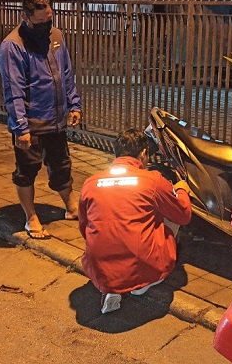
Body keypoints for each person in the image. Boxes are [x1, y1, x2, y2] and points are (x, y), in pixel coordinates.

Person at [0, 0, 82, 239]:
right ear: (26, 16)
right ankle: (30, 217)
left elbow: (66, 73)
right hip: (31, 124)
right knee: (27, 170)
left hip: (55, 120)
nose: (46, 26)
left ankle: (71, 207)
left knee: (61, 164)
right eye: (40, 22)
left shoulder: (56, 37)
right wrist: (20, 128)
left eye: (50, 20)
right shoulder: (12, 46)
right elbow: (14, 90)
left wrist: (73, 104)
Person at [78, 129, 192, 314]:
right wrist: (181, 190)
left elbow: (84, 227)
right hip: (143, 269)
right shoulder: (153, 180)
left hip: (98, 269)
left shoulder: (91, 183)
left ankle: (111, 287)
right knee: (170, 211)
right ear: (144, 153)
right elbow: (183, 215)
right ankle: (140, 286)